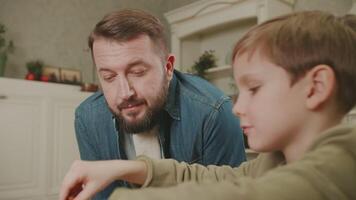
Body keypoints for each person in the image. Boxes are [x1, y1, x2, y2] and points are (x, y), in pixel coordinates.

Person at [60, 10, 356, 200]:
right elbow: (208, 176)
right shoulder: (274, 160)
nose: (238, 107)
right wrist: (121, 168)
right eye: (109, 76)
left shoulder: (344, 164)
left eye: (253, 88)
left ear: (316, 87)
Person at [73, 9, 246, 199]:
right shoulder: (87, 117)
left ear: (168, 67)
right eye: (109, 77)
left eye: (138, 72)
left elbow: (231, 194)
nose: (124, 93)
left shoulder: (214, 113)